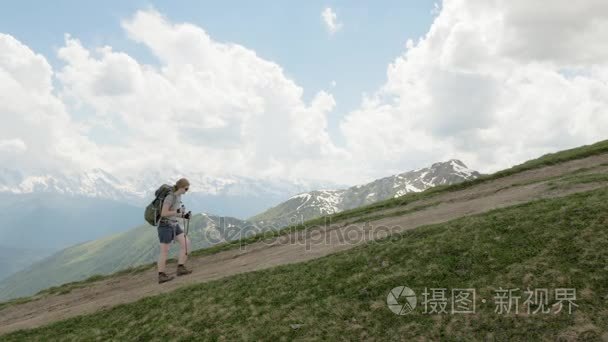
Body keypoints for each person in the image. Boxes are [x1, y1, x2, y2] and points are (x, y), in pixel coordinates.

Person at [157, 178, 193, 283]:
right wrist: (177, 211)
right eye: (186, 189)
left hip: (174, 224)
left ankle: (180, 268)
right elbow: (163, 213)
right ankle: (161, 275)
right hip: (165, 226)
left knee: (186, 243)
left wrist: (185, 216)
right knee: (164, 251)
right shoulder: (170, 197)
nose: (187, 191)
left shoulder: (178, 196)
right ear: (181, 187)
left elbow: (174, 212)